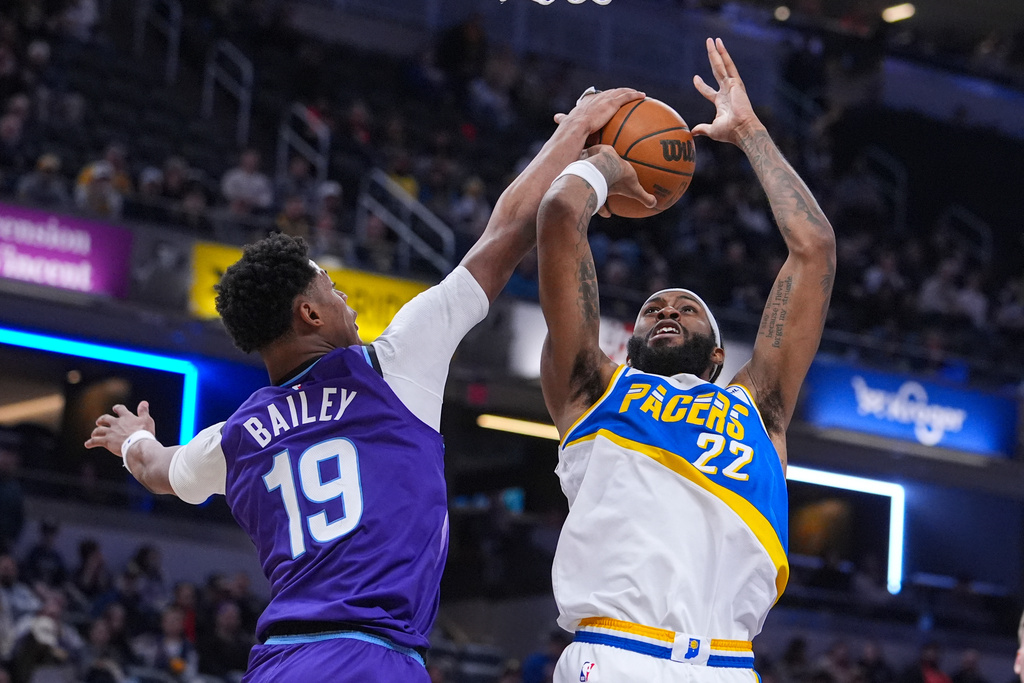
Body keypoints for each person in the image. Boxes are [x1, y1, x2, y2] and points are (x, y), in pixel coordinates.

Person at [83, 87, 648, 683]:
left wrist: (131, 439)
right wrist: (577, 131)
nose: (343, 296)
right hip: (370, 657)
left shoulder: (237, 437)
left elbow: (158, 469)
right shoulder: (393, 366)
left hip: (278, 664)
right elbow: (505, 233)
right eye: (329, 285)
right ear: (309, 315)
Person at [534, 38, 835, 682]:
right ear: (627, 340)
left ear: (720, 354)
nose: (667, 311)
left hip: (726, 664)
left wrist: (751, 131)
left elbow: (813, 250)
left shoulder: (760, 408)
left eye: (686, 308)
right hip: (614, 656)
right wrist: (590, 157)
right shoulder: (592, 389)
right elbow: (560, 215)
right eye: (653, 308)